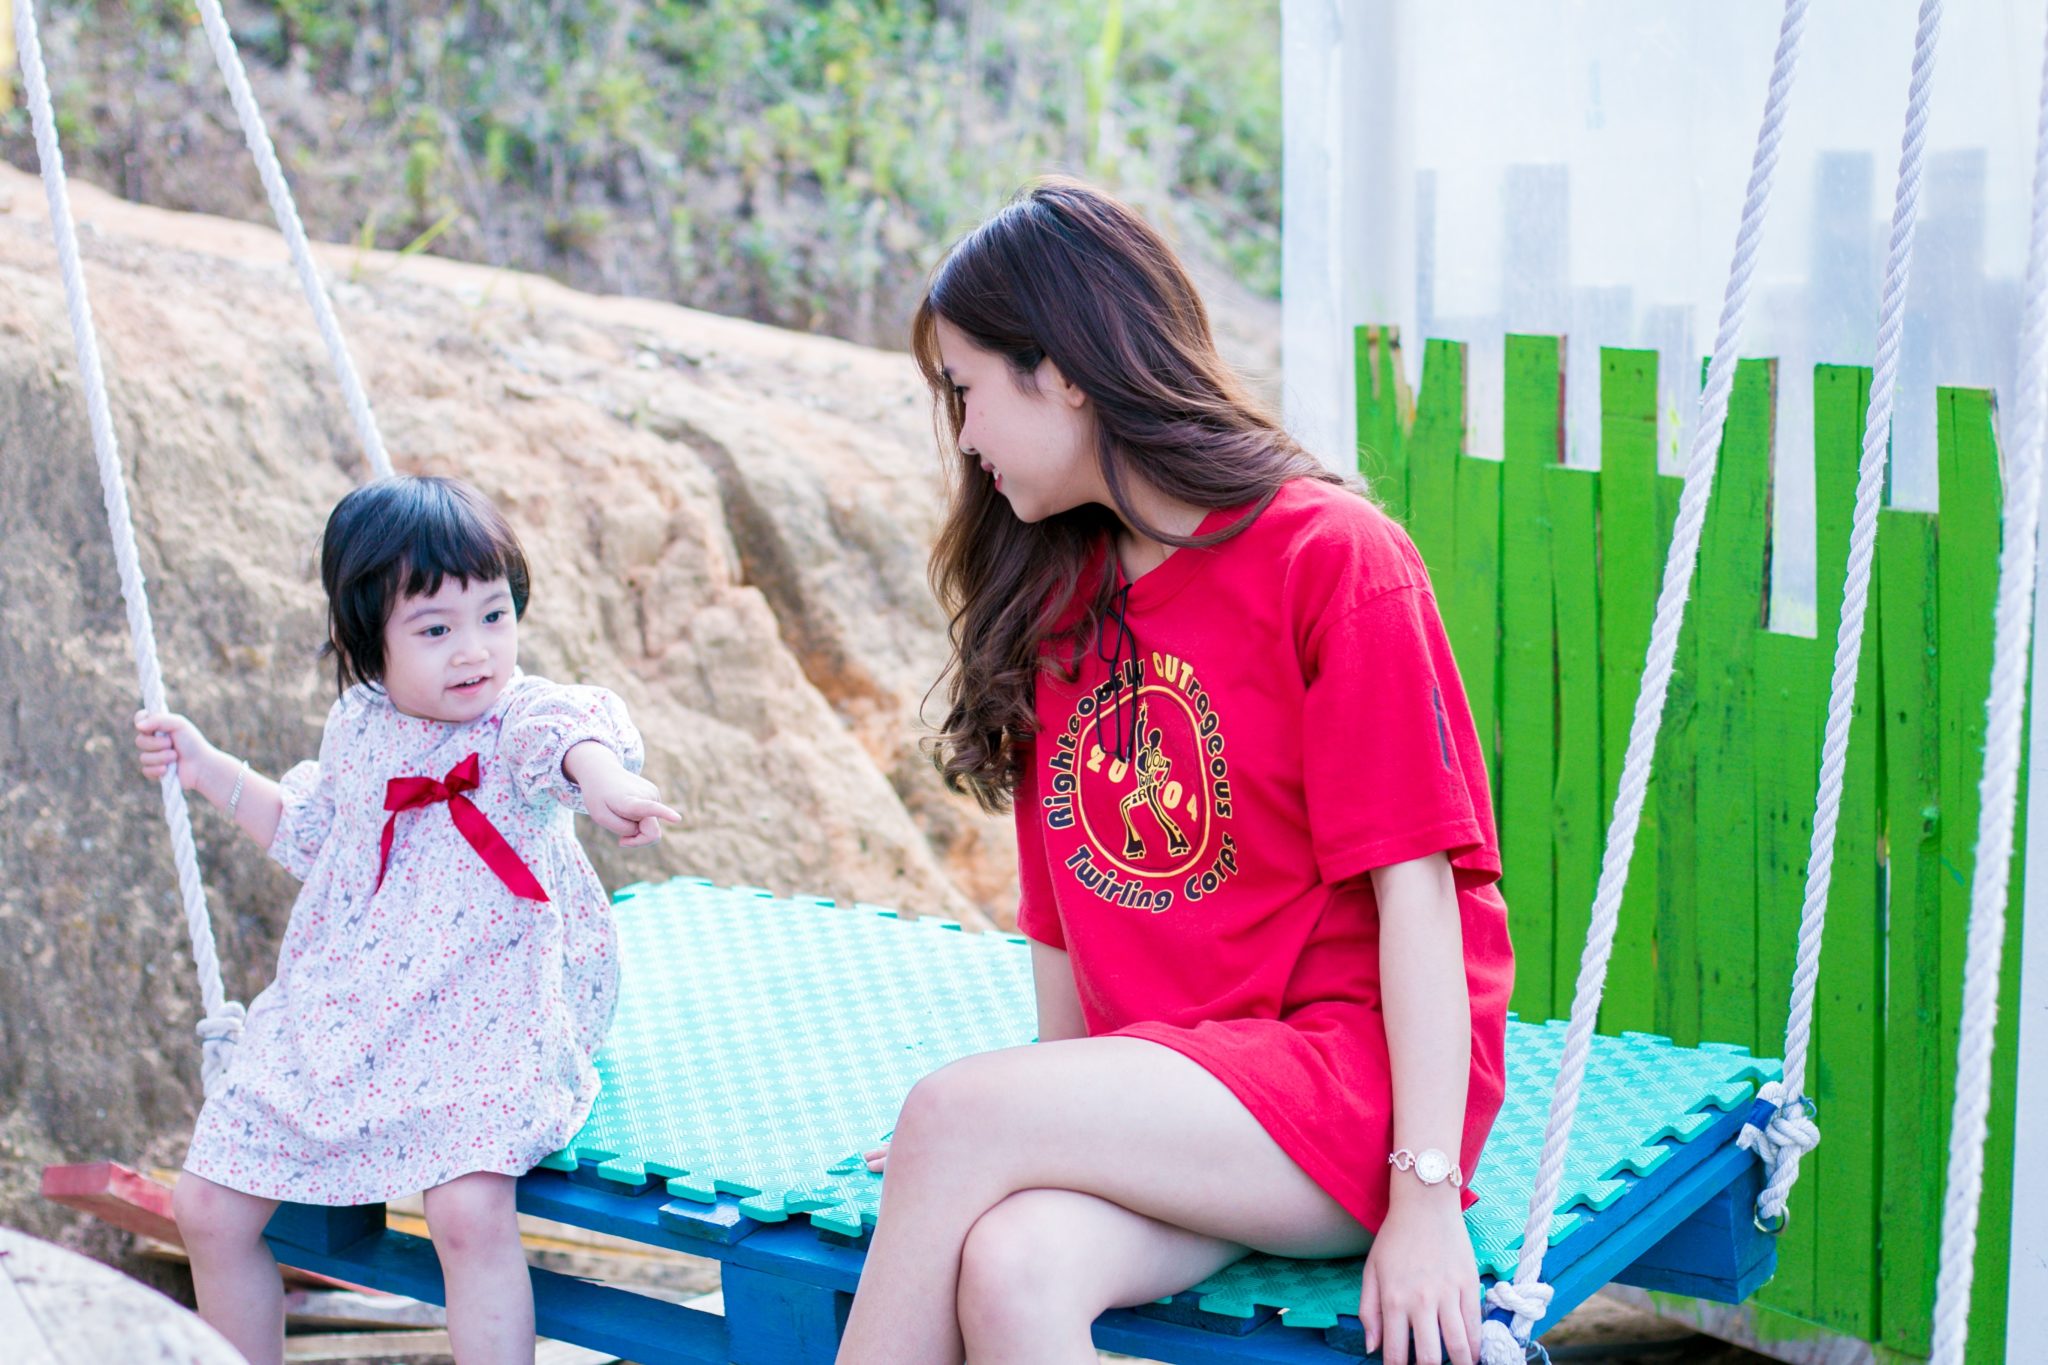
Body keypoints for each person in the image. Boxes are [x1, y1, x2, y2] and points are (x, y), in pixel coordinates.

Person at [837, 179, 1513, 1365]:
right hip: (1182, 1102)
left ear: (1062, 371)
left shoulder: (1330, 559)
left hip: (1350, 1094)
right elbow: (1061, 920)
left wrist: (1423, 1201)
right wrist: (1037, 1125)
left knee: (948, 1113)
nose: (964, 439)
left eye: (964, 391)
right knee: (1011, 1266)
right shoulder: (1055, 598)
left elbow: (1420, 894)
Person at [133, 475, 680, 1365]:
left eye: (494, 615)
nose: (474, 650)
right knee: (206, 1206)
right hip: (359, 1001)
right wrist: (206, 768)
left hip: (495, 998)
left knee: (466, 1208)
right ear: (368, 641)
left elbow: (570, 735)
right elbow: (315, 833)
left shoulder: (514, 720)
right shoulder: (360, 726)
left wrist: (608, 780)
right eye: (434, 629)